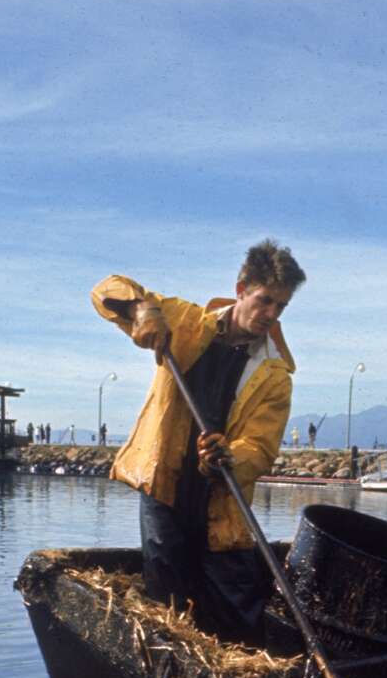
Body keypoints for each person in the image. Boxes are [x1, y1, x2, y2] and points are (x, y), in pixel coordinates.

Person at [92, 239, 305, 639]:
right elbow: (107, 289)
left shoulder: (275, 374)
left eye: (281, 306)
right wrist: (141, 310)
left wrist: (227, 456)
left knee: (236, 603)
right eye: (265, 300)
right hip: (165, 481)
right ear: (241, 288)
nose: (271, 314)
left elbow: (261, 448)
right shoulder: (185, 322)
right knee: (167, 594)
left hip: (221, 492)